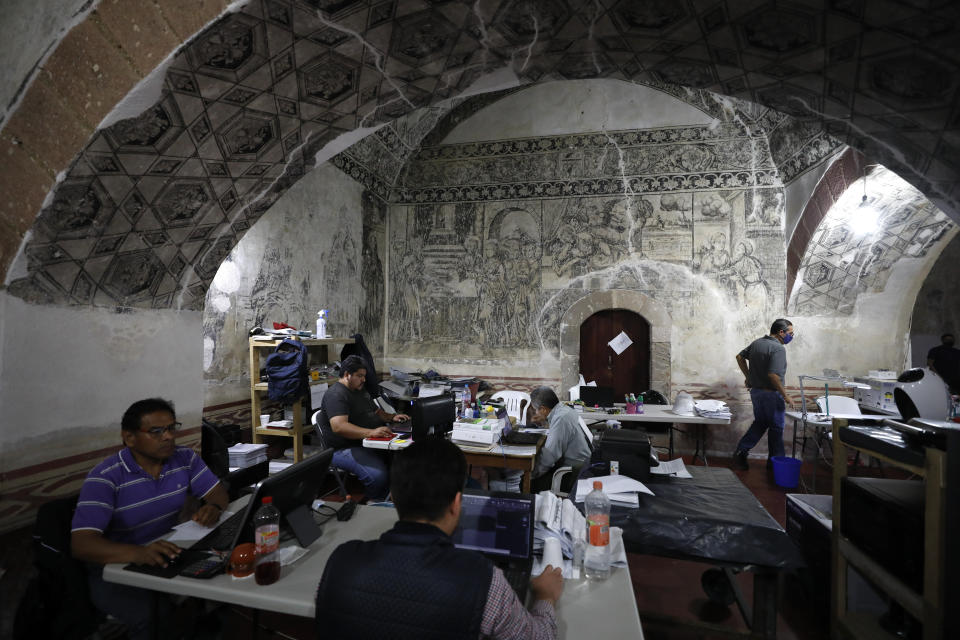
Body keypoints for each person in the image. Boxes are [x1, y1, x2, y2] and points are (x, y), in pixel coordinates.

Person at [315, 438, 563, 639]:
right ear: (457, 503)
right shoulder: (483, 582)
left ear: (393, 498)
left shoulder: (340, 561)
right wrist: (545, 597)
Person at [70, 398, 229, 640]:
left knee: (221, 582)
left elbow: (217, 493)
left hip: (167, 551)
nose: (168, 437)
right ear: (129, 438)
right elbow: (82, 544)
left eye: (171, 428)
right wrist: (139, 553)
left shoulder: (184, 458)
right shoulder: (105, 478)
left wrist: (214, 506)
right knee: (152, 616)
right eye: (156, 431)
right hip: (115, 566)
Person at [316, 355, 410, 501]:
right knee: (377, 477)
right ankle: (372, 502)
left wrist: (391, 417)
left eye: (364, 376)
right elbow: (339, 427)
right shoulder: (336, 394)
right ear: (347, 375)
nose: (364, 380)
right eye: (360, 376)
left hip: (366, 441)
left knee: (403, 460)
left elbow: (376, 411)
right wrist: (372, 432)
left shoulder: (359, 390)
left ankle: (388, 496)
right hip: (342, 448)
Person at [732, 319, 795, 470]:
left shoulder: (757, 343)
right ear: (781, 332)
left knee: (760, 423)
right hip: (771, 395)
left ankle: (742, 450)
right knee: (776, 428)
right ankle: (776, 464)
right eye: (790, 333)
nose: (792, 336)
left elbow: (739, 357)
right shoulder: (778, 348)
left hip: (757, 393)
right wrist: (785, 395)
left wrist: (749, 378)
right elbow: (773, 375)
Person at [528, 386, 593, 492]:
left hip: (574, 473)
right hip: (582, 464)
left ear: (543, 409)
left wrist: (530, 475)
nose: (535, 413)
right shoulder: (564, 409)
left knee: (529, 485)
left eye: (536, 410)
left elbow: (549, 458)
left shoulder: (560, 419)